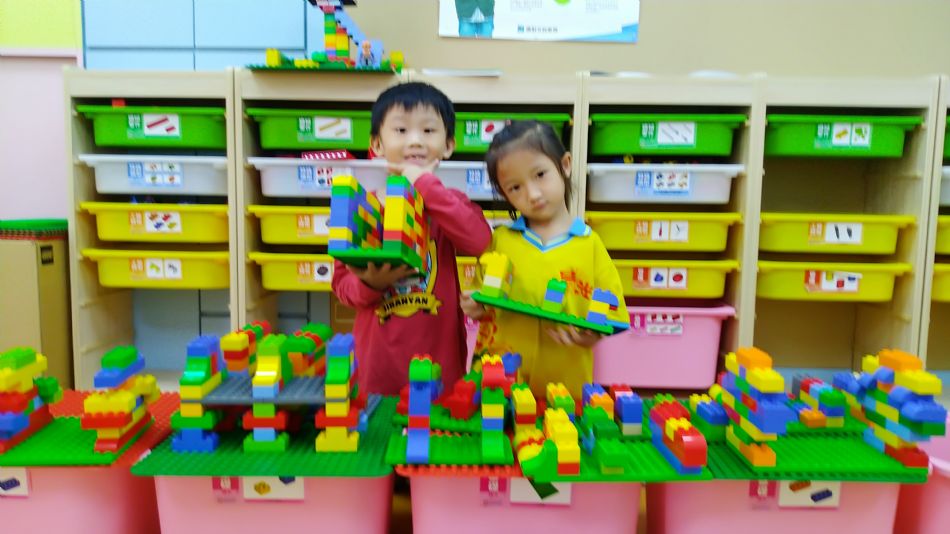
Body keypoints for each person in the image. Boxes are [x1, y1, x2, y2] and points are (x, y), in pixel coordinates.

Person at [332, 82, 492, 395]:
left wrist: (424, 185)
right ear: (377, 144)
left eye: (429, 131)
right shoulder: (363, 208)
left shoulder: (450, 203)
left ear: (448, 145)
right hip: (377, 369)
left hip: (440, 371)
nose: (416, 140)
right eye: (401, 130)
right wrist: (371, 285)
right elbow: (341, 285)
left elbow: (480, 242)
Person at [461, 120, 629, 399]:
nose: (533, 194)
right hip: (500, 383)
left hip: (564, 384)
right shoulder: (500, 241)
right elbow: (481, 300)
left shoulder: (590, 245)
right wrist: (473, 305)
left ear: (565, 165)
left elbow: (612, 310)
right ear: (504, 194)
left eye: (540, 174)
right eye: (515, 187)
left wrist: (594, 334)